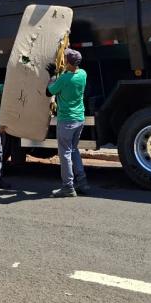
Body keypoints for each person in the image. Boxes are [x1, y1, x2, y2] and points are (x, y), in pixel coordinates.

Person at [46, 49, 89, 198]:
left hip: (66, 121)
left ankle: (68, 187)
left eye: (65, 58)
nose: (63, 59)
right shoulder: (83, 74)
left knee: (65, 154)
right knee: (74, 150)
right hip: (79, 119)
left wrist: (52, 76)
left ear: (69, 63)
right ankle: (82, 183)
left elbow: (49, 92)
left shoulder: (64, 80)